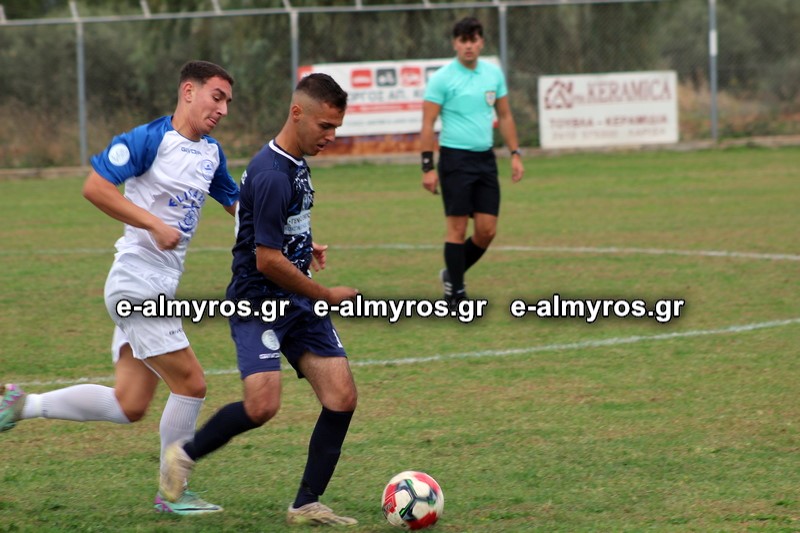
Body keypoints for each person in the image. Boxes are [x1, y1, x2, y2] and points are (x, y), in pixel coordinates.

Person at [0, 60, 239, 515]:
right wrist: (152, 224)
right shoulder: (148, 139)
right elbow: (96, 188)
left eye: (228, 101)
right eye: (217, 97)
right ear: (188, 91)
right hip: (136, 283)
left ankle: (21, 405)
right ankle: (173, 493)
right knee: (191, 384)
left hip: (155, 286)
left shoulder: (211, 153)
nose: (223, 109)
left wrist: (292, 240)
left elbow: (238, 205)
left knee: (129, 403)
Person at [159, 73, 359, 526]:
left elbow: (277, 228)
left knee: (341, 396)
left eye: (336, 127)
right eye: (325, 126)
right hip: (259, 301)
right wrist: (326, 294)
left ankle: (306, 503)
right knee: (262, 405)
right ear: (297, 113)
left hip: (297, 299)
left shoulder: (295, 161)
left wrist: (304, 246)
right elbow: (266, 260)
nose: (331, 136)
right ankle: (184, 454)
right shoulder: (271, 173)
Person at [420, 16, 524, 308]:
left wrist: (515, 153)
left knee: (487, 230)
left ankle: (451, 274)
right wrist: (427, 167)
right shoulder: (442, 78)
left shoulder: (493, 74)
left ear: (481, 43)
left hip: (485, 160)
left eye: (473, 40)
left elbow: (505, 116)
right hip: (455, 159)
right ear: (455, 43)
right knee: (456, 229)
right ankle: (456, 294)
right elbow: (427, 123)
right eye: (463, 40)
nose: (468, 46)